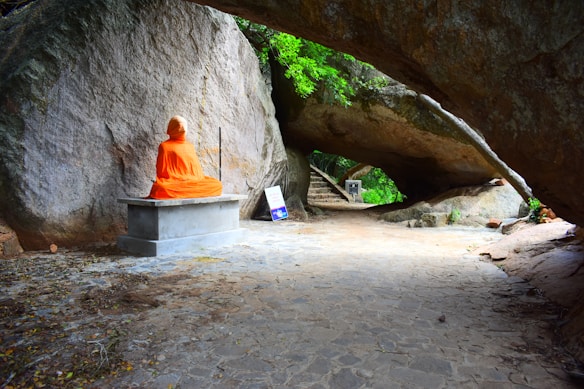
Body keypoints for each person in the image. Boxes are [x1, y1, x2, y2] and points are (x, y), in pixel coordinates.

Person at [148, 115, 222, 199]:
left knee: (217, 184)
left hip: (193, 182)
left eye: (184, 126)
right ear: (172, 128)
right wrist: (177, 179)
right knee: (161, 188)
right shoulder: (164, 146)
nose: (183, 129)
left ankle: (188, 191)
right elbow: (162, 172)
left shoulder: (190, 146)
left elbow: (197, 173)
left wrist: (191, 180)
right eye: (180, 126)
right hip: (174, 183)